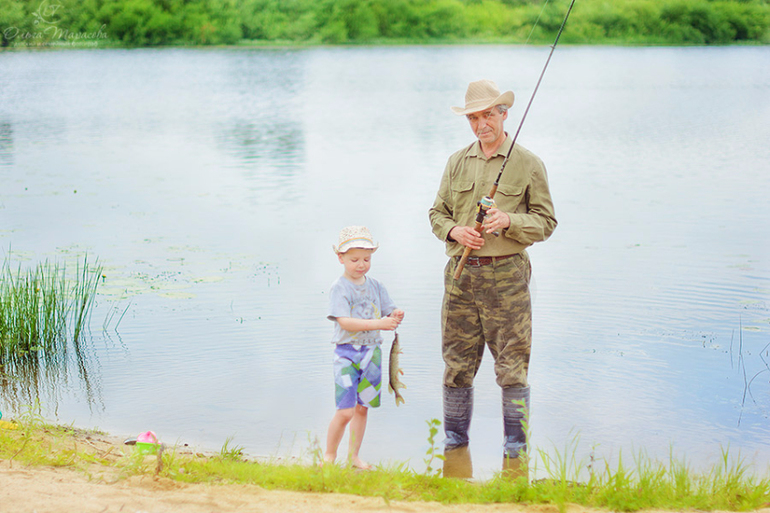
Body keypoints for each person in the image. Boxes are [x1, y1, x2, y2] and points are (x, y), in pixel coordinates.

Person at [428, 79, 557, 478]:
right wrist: (454, 232)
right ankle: (454, 444)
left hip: (508, 277)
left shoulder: (528, 162)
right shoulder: (456, 161)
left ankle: (515, 456)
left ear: (504, 115)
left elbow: (546, 222)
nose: (481, 123)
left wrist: (508, 221)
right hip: (460, 277)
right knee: (456, 367)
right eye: (474, 117)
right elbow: (437, 215)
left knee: (512, 368)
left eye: (488, 115)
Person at [324, 225, 405, 469]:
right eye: (354, 259)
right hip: (347, 354)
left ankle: (354, 456)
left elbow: (388, 308)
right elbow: (345, 323)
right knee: (345, 411)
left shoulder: (377, 286)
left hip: (373, 353)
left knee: (362, 408)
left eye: (367, 259)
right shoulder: (339, 288)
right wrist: (379, 322)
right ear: (340, 258)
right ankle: (329, 454)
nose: (361, 264)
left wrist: (395, 313)